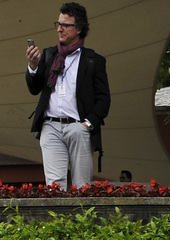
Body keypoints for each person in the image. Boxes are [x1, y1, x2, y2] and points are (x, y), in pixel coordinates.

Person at [25, 3, 110, 189]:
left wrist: (87, 125)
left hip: (78, 127)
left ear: (79, 29)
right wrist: (32, 66)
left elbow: (104, 100)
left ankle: (81, 219)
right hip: (50, 126)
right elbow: (35, 88)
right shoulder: (49, 54)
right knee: (54, 186)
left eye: (65, 25)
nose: (59, 28)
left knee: (82, 185)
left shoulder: (93, 60)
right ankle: (58, 219)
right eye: (58, 23)